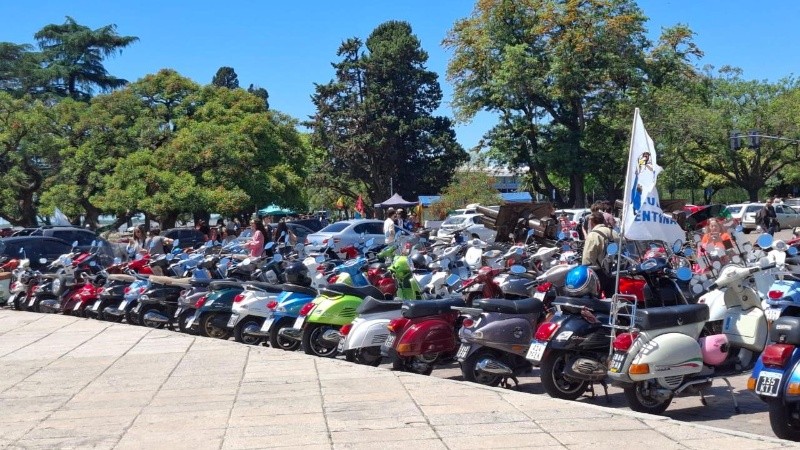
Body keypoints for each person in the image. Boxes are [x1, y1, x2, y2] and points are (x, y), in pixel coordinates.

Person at [581, 211, 620, 297]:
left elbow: (588, 258)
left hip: (598, 272)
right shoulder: (614, 232)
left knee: (594, 300)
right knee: (613, 299)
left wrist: (585, 270)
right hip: (614, 271)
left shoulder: (593, 235)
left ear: (592, 222)